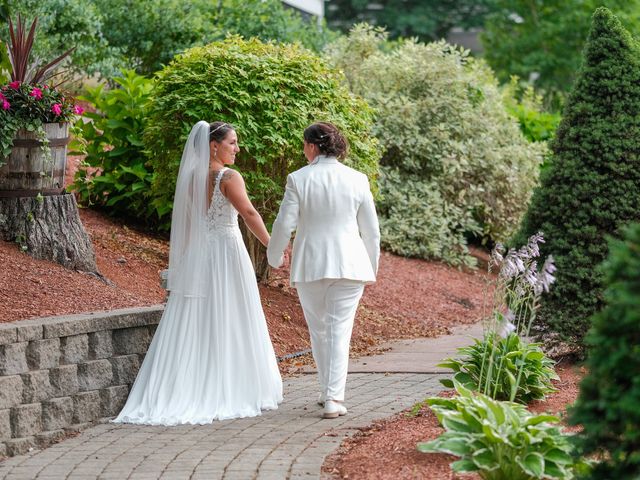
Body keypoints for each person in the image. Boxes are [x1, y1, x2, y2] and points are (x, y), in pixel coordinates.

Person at [114, 121, 283, 425]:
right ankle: (230, 386)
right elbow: (249, 213)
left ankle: (192, 383)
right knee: (231, 313)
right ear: (214, 145)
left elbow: (193, 224)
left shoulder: (191, 178)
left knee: (198, 317)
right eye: (232, 142)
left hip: (200, 254)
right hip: (227, 254)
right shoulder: (228, 177)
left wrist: (185, 262)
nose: (237, 148)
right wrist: (272, 247)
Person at [267, 122, 380, 419]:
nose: (303, 150)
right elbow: (372, 232)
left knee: (319, 330)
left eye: (304, 145)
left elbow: (284, 224)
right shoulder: (358, 179)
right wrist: (372, 266)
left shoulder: (298, 179)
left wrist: (274, 255)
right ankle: (331, 395)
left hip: (311, 264)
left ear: (313, 146)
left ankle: (330, 394)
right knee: (338, 330)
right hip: (350, 264)